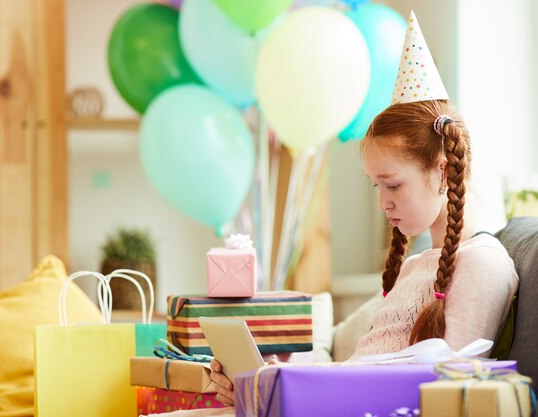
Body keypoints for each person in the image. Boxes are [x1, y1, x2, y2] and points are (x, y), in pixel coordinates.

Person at [207, 11, 518, 407]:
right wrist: (272, 378)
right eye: (377, 185)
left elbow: (443, 394)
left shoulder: (483, 265)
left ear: (442, 171)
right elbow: (365, 366)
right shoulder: (415, 265)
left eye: (393, 184)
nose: (383, 202)